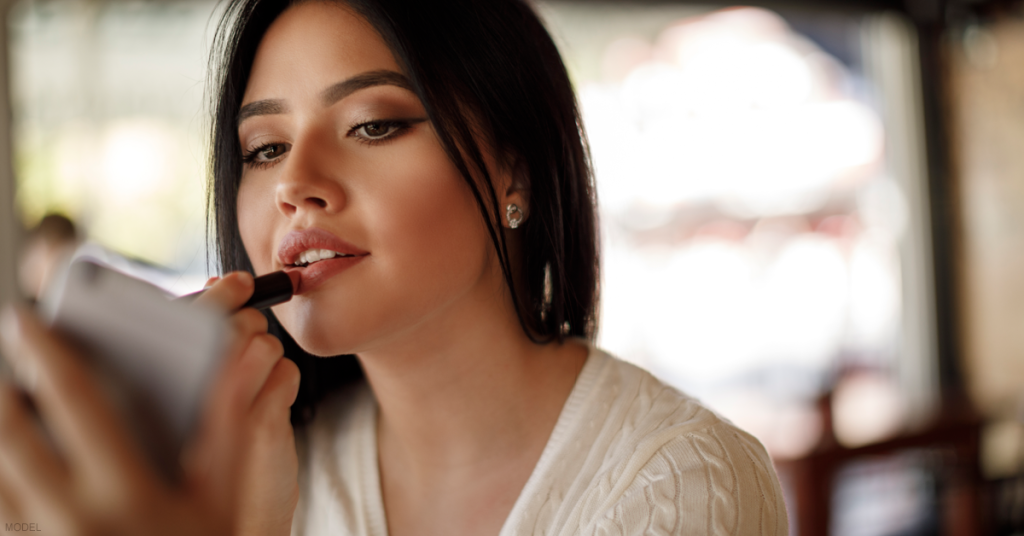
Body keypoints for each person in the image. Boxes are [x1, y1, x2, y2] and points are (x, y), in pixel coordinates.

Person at [0, 0, 788, 534]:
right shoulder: (262, 476)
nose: (294, 185)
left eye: (373, 125)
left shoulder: (677, 483)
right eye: (264, 149)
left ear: (513, 171)